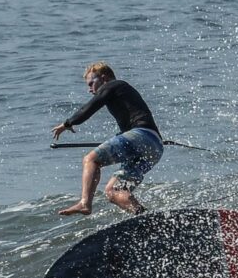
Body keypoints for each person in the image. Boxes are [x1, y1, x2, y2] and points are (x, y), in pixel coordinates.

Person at [52, 62, 164, 216]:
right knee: (114, 192)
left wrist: (67, 124)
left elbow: (88, 108)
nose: (90, 89)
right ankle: (146, 218)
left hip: (141, 137)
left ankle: (85, 204)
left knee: (90, 160)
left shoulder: (113, 85)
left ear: (103, 78)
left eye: (92, 83)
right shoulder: (120, 90)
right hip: (154, 148)